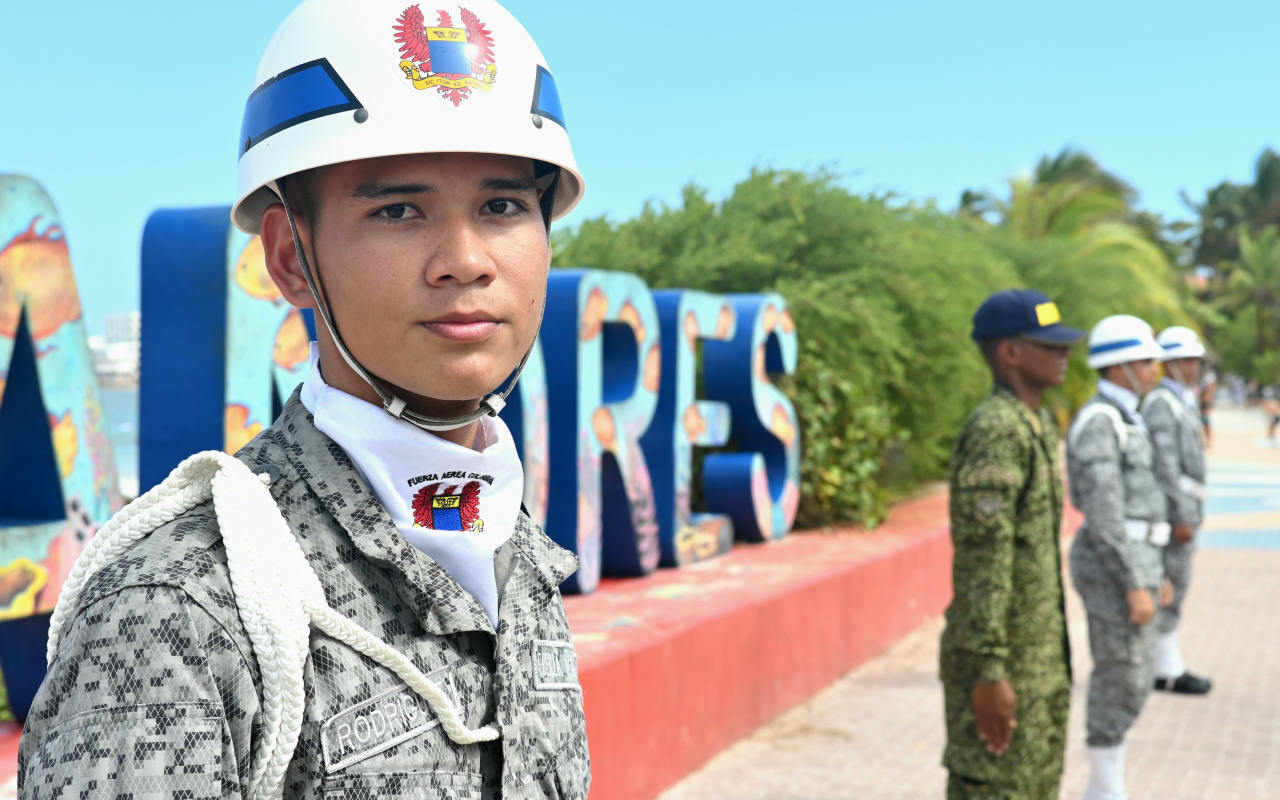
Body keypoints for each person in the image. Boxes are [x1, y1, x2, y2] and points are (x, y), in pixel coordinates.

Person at [18, 1, 590, 798]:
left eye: (502, 207)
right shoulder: (181, 602)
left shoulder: (513, 550)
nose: (465, 261)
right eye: (398, 210)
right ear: (290, 259)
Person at [941, 289, 1085, 800]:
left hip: (1040, 666)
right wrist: (988, 672)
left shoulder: (1037, 424)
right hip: (1006, 673)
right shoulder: (998, 430)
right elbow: (984, 562)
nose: (1064, 353)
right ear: (1010, 353)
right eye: (1050, 345)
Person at [1067, 315, 1174, 800]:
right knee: (1120, 673)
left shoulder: (1129, 416)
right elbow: (1106, 512)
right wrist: (1133, 583)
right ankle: (1105, 788)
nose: (1155, 369)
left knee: (1135, 674)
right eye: (1147, 360)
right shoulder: (1100, 421)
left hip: (1140, 560)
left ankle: (1108, 780)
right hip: (1112, 566)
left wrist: (1160, 572)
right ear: (1121, 366)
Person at [1142, 327, 1212, 695]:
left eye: (1195, 359)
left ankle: (1163, 662)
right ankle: (1164, 667)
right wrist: (1181, 514)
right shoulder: (1161, 404)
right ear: (1167, 363)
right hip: (1174, 516)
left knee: (1177, 588)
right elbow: (1165, 467)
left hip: (1185, 511)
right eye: (1186, 359)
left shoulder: (1180, 400)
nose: (1193, 366)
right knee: (1171, 588)